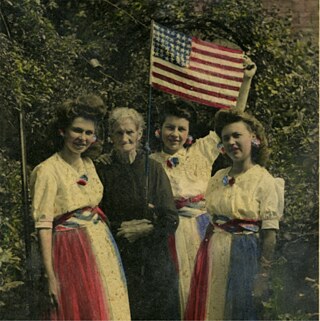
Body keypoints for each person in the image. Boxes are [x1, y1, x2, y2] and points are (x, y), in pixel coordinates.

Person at [150, 57, 257, 315]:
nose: (175, 134)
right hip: (170, 231)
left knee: (209, 291)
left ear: (189, 133)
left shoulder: (202, 151)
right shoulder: (151, 162)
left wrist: (246, 81)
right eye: (169, 128)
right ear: (159, 130)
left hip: (203, 229)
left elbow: (233, 117)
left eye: (181, 129)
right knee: (178, 292)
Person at [30, 94, 131, 321]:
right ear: (62, 131)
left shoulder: (89, 164)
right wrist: (50, 276)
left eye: (89, 133)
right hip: (70, 250)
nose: (82, 138)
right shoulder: (47, 170)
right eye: (77, 130)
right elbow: (44, 226)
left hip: (101, 245)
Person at [184, 108, 285, 320]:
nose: (231, 142)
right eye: (226, 138)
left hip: (244, 252)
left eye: (237, 135)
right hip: (212, 251)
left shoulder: (263, 180)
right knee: (212, 308)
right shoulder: (218, 177)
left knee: (237, 310)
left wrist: (263, 274)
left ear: (253, 138)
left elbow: (269, 233)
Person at [97, 107, 180, 320]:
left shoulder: (153, 169)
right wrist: (124, 230)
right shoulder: (103, 170)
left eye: (130, 132)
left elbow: (170, 219)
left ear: (139, 134)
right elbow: (97, 217)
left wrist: (144, 229)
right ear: (111, 137)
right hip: (120, 257)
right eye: (119, 133)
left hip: (155, 259)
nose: (125, 138)